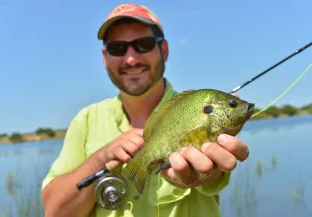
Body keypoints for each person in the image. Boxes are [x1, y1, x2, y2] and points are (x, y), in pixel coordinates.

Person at [41, 3, 250, 217]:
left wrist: (205, 174)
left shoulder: (197, 109)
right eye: (117, 48)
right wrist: (101, 158)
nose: (131, 59)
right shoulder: (85, 120)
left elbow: (210, 176)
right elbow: (54, 212)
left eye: (144, 44)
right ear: (105, 58)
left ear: (164, 50)